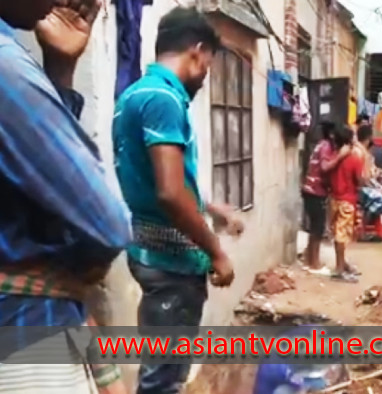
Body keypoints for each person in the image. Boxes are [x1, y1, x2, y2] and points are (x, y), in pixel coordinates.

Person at [0, 0, 131, 392]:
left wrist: (60, 71)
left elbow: (30, 193)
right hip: (25, 337)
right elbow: (107, 225)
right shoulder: (6, 69)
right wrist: (82, 265)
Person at [112, 7, 244, 393]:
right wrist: (216, 251)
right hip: (171, 265)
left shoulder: (135, 94)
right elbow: (169, 192)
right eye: (209, 63)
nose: (206, 73)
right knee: (164, 379)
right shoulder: (162, 99)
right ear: (198, 51)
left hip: (150, 252)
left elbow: (155, 180)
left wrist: (208, 206)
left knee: (164, 370)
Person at [301, 121, 351, 274]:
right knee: (317, 229)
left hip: (310, 189)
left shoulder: (321, 144)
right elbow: (324, 167)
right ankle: (314, 264)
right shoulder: (326, 147)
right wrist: (340, 157)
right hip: (315, 191)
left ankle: (309, 259)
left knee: (315, 227)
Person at [328, 126, 365, 283]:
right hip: (347, 200)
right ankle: (339, 268)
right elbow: (360, 179)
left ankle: (342, 264)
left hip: (334, 199)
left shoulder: (334, 157)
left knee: (337, 233)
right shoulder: (354, 159)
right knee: (342, 236)